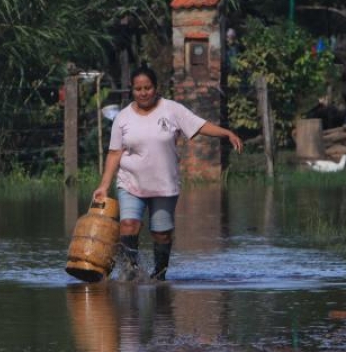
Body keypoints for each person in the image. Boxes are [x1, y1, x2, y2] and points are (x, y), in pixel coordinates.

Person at [92, 66, 243, 281]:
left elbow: (199, 125)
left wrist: (226, 133)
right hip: (130, 183)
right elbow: (115, 153)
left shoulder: (172, 110)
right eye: (138, 89)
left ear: (156, 88)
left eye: (148, 88)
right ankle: (130, 272)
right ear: (131, 90)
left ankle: (159, 274)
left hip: (164, 185)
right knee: (128, 225)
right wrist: (104, 185)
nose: (143, 93)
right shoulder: (123, 118)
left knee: (161, 233)